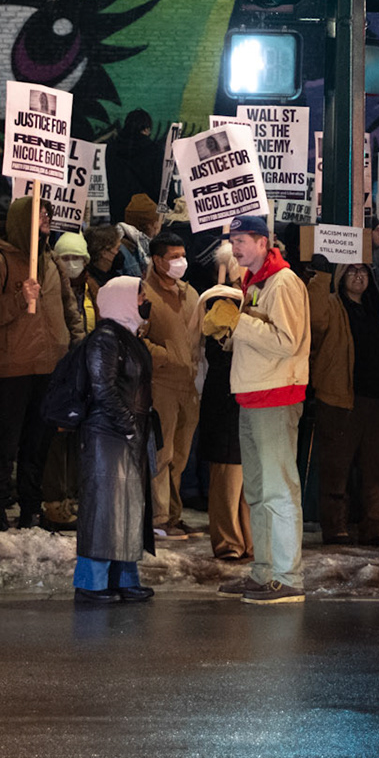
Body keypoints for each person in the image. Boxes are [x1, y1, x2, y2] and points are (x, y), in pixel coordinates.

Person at [0, 196, 86, 531]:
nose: (46, 218)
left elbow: (68, 309)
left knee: (38, 444)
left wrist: (76, 347)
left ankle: (32, 507)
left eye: (48, 213)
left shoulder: (51, 261)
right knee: (4, 443)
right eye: (39, 214)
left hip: (50, 367)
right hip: (10, 368)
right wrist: (21, 299)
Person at [213, 215, 311, 604]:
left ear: (263, 241)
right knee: (258, 491)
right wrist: (227, 332)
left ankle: (287, 577)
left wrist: (236, 323)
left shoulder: (283, 282)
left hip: (275, 396)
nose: (235, 247)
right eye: (233, 240)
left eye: (242, 240)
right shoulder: (255, 281)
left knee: (278, 490)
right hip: (254, 395)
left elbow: (286, 341)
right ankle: (265, 572)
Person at [73, 276, 158, 604]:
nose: (143, 302)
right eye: (139, 296)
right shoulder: (106, 339)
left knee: (127, 508)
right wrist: (128, 425)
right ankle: (91, 583)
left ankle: (124, 577)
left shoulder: (127, 337)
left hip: (126, 433)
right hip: (108, 435)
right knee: (105, 510)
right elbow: (103, 388)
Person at [308, 260, 379, 546]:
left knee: (375, 470)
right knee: (336, 469)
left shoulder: (377, 312)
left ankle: (375, 527)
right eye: (351, 271)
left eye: (363, 272)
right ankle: (335, 527)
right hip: (338, 400)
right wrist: (320, 276)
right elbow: (315, 319)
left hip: (375, 402)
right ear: (340, 276)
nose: (359, 276)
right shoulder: (332, 305)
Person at [140, 231, 204, 539]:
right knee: (162, 454)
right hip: (160, 383)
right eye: (173, 257)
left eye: (182, 255)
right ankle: (159, 516)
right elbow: (136, 338)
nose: (181, 262)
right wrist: (164, 356)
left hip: (188, 385)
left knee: (180, 455)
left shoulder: (189, 293)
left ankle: (174, 515)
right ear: (156, 260)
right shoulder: (144, 293)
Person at [197, 243, 254, 561]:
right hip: (227, 399)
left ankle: (248, 540)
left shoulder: (258, 298)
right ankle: (229, 541)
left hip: (250, 396)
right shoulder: (222, 301)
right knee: (228, 478)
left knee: (249, 478)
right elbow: (216, 353)